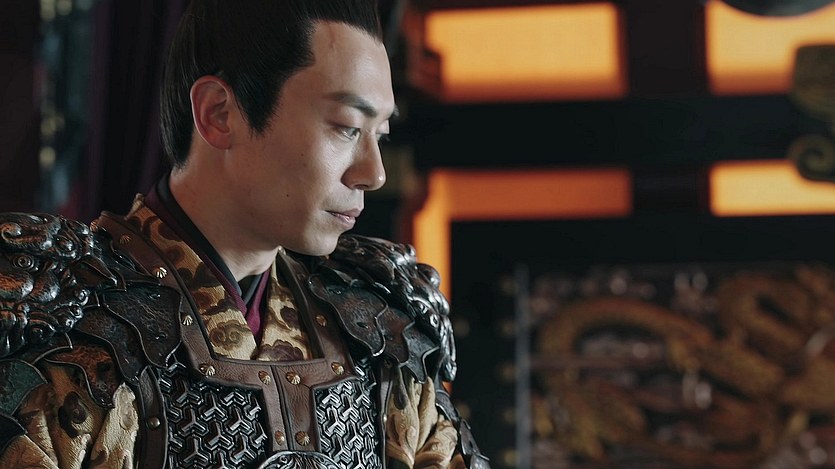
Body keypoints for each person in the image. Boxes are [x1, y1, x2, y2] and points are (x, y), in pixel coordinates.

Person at [0, 1, 489, 468]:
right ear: (219, 113)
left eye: (379, 135)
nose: (373, 173)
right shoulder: (60, 326)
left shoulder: (378, 335)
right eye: (346, 127)